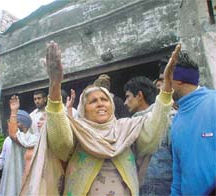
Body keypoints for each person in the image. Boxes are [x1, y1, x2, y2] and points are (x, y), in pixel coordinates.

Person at [20, 41, 181, 195]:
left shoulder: (127, 128)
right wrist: (54, 85)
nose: (100, 104)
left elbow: (154, 131)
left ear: (112, 105)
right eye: (93, 101)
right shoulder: (77, 131)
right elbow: (60, 142)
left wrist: (167, 86)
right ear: (83, 109)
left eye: (104, 100)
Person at [170, 52, 216, 195]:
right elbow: (178, 175)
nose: (164, 85)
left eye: (167, 78)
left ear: (178, 80)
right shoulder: (176, 121)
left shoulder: (213, 103)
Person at [124, 76, 173, 195]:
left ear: (139, 95)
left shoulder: (168, 118)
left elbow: (180, 153)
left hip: (161, 187)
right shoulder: (131, 124)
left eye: (128, 96)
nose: (125, 103)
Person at [0, 98, 39, 196]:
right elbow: (2, 159)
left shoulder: (32, 139)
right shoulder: (7, 140)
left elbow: (14, 135)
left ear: (24, 124)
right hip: (8, 183)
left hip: (24, 182)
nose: (11, 124)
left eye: (15, 121)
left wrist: (13, 111)